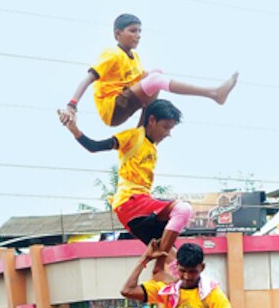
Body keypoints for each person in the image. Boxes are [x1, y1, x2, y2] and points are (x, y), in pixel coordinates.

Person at [63, 100, 191, 265]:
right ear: (151, 120)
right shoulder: (133, 136)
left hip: (136, 210)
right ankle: (159, 267)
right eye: (165, 127)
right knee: (183, 209)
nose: (167, 134)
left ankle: (163, 265)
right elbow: (94, 146)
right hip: (131, 201)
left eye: (170, 129)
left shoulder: (151, 146)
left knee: (179, 263)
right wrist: (74, 129)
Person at [58, 13, 238, 129]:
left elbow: (145, 82)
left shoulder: (135, 58)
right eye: (132, 31)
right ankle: (213, 93)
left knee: (155, 73)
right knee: (155, 79)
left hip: (125, 101)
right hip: (112, 106)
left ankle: (141, 129)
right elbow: (88, 79)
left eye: (140, 31)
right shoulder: (112, 54)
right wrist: (72, 104)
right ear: (117, 34)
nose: (138, 35)